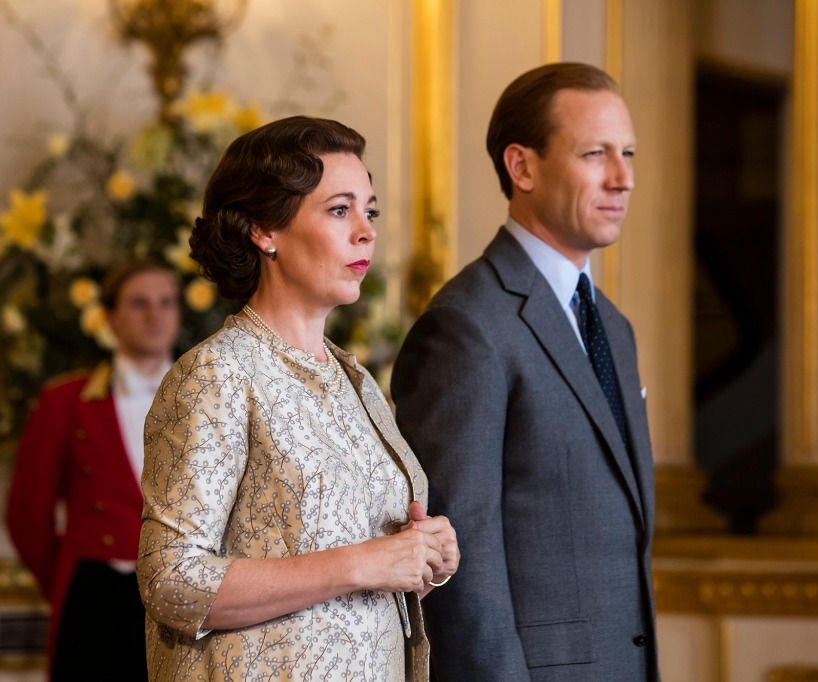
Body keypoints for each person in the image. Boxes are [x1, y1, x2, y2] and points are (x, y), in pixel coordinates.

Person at [136, 115, 459, 682]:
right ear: (265, 230)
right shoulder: (216, 374)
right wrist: (361, 563)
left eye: (370, 211)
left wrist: (425, 555)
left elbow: (358, 583)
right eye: (340, 210)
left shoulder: (353, 379)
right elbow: (171, 583)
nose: (366, 230)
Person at [391, 62, 660, 681]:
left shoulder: (613, 327)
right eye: (596, 153)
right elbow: (459, 563)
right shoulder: (466, 325)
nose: (624, 178)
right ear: (523, 166)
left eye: (628, 153)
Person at [6, 259, 181, 681]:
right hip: (97, 599)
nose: (155, 315)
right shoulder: (64, 402)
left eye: (166, 303)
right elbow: (27, 514)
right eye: (139, 303)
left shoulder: (212, 398)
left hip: (186, 598)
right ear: (109, 318)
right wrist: (71, 585)